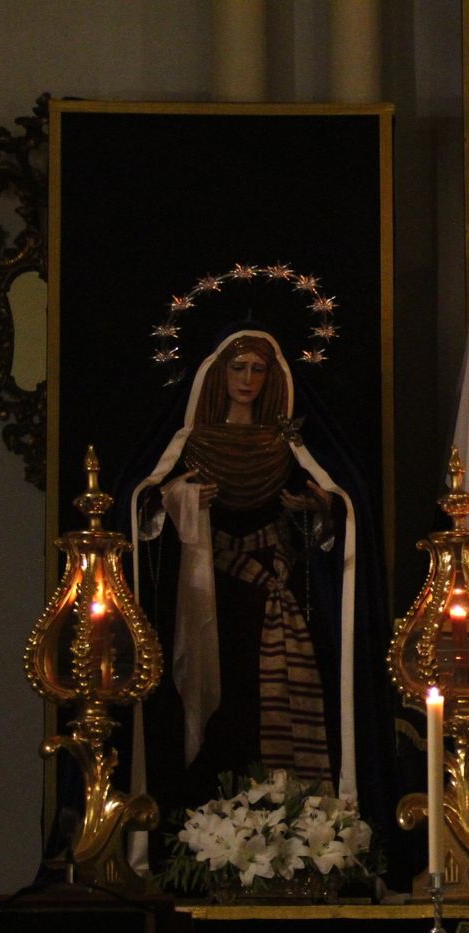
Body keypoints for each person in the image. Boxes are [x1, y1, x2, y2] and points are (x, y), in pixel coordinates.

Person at [126, 328, 391, 815]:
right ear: (219, 374)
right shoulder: (192, 443)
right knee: (222, 695)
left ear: (272, 377)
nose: (247, 379)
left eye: (257, 369)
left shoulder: (287, 444)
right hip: (213, 591)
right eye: (237, 368)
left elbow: (338, 510)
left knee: (270, 694)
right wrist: (180, 494)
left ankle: (283, 811)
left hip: (274, 588)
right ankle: (211, 812)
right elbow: (145, 508)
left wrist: (316, 506)